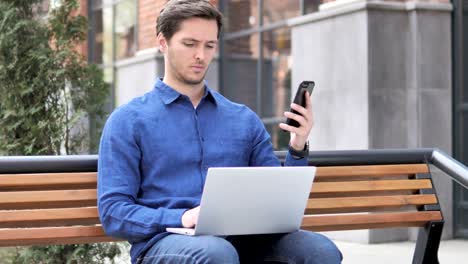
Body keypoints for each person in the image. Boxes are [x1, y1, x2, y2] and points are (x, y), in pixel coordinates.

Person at [97, 0, 342, 263]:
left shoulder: (242, 119)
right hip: (165, 242)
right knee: (216, 253)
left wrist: (297, 146)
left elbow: (277, 204)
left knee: (320, 251)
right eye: (190, 44)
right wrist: (182, 217)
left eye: (209, 45)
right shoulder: (128, 121)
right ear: (163, 43)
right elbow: (114, 212)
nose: (201, 55)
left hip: (244, 240)